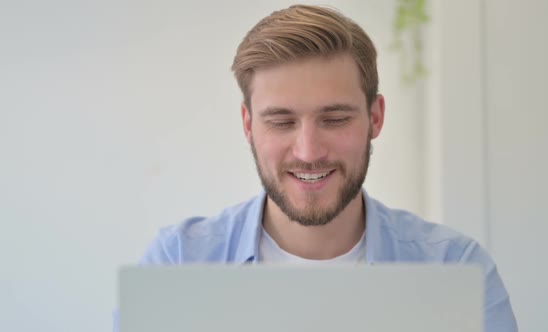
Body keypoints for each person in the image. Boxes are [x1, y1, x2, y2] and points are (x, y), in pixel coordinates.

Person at [123, 4, 518, 332]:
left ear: (375, 117)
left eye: (335, 119)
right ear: (248, 125)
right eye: (281, 122)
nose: (309, 151)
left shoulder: (454, 270)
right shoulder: (180, 262)